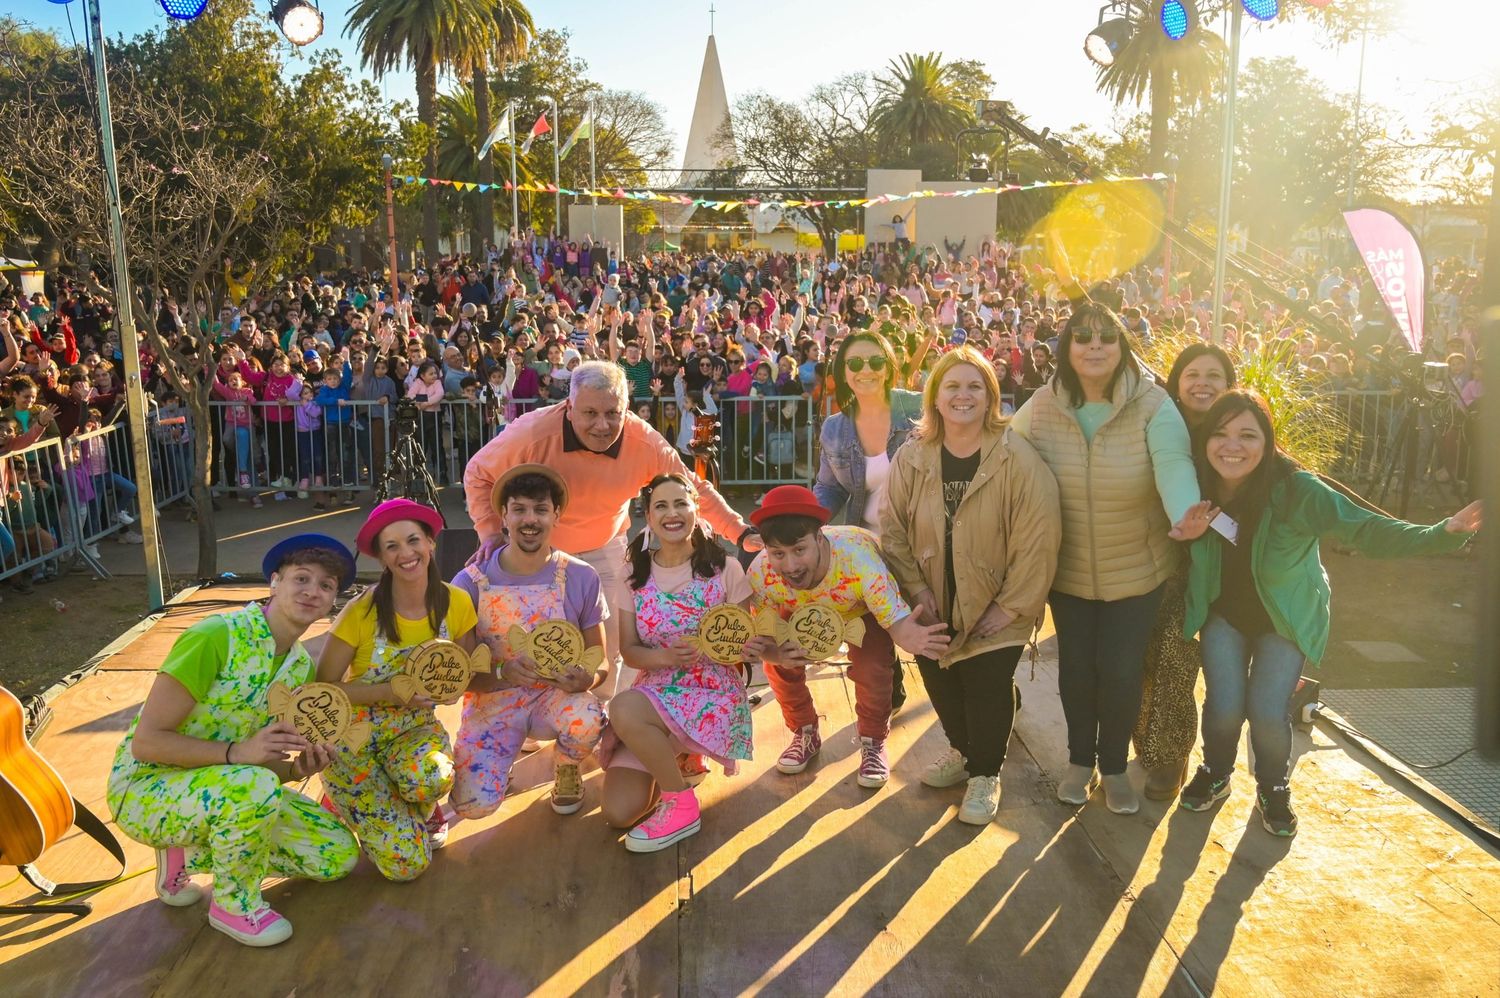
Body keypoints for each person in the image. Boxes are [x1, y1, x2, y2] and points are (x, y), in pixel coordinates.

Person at [1171, 391, 1483, 837]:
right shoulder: (1193, 482)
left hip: (1286, 618)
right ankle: (1216, 772)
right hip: (1223, 613)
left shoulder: (1298, 490)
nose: (1231, 446)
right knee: (1223, 706)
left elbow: (1364, 528)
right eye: (1220, 434)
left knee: (1266, 710)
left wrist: (1441, 533)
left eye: (1247, 435)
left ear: (1268, 441)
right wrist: (1184, 534)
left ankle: (1273, 786)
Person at [106, 534, 361, 948]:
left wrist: (297, 769)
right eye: (301, 578)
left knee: (335, 855)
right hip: (146, 788)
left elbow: (259, 762)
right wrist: (236, 753)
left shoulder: (299, 669)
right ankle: (233, 904)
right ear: (274, 582)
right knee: (254, 786)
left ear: (333, 600)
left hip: (227, 787)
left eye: (326, 585)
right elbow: (147, 743)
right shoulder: (216, 636)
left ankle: (185, 852)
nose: (313, 591)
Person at [462, 361, 761, 696]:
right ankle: (533, 722)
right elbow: (477, 473)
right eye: (590, 413)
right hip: (539, 554)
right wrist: (489, 531)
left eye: (612, 413)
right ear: (569, 407)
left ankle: (601, 720)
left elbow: (691, 489)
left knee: (609, 646)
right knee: (532, 646)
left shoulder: (644, 442)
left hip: (606, 547)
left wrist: (741, 532)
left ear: (627, 409)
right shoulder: (531, 433)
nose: (602, 425)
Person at [1010, 302, 1199, 815]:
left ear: (1122, 346)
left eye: (1106, 337)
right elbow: (1003, 456)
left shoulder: (1153, 404)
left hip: (1137, 572)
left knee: (1120, 671)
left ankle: (1114, 766)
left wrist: (1184, 514)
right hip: (1068, 574)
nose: (1095, 345)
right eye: (1083, 336)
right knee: (1076, 669)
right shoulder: (1043, 404)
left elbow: (1173, 464)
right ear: (1067, 349)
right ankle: (1079, 761)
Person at [881, 347, 1062, 824]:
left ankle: (985, 774)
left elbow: (1038, 535)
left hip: (997, 602)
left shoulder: (1016, 457)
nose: (963, 395)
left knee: (985, 685)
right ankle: (964, 751)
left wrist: (1011, 605)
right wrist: (917, 592)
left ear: (990, 397)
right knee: (944, 688)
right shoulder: (912, 456)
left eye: (975, 386)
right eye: (953, 386)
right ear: (935, 398)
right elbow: (893, 529)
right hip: (932, 600)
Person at [316, 499, 479, 880]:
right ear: (382, 558)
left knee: (432, 777)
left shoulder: (455, 601)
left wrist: (453, 687)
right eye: (392, 547)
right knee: (407, 868)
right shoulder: (361, 611)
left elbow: (466, 667)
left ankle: (417, 803)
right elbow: (323, 689)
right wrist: (389, 693)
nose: (406, 554)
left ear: (430, 543)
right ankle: (342, 797)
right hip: (354, 741)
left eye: (413, 541)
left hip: (414, 731)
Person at [747, 485, 950, 788]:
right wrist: (774, 654)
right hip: (796, 609)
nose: (790, 566)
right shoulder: (761, 572)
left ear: (820, 537)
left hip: (858, 608)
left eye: (799, 550)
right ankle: (804, 732)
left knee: (872, 668)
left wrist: (914, 637)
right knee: (779, 665)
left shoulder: (859, 559)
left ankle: (872, 741)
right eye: (778, 553)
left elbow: (897, 623)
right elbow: (763, 638)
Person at [599, 474, 757, 852]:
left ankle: (680, 802)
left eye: (681, 504)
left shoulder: (726, 570)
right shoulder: (633, 574)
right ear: (648, 518)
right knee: (617, 812)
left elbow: (741, 641)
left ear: (696, 510)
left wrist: (733, 649)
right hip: (657, 693)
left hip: (711, 694)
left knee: (622, 708)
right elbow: (631, 651)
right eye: (661, 506)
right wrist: (666, 657)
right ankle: (678, 759)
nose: (672, 513)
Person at [449, 464, 608, 819]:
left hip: (555, 698)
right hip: (493, 700)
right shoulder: (469, 582)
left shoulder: (581, 576)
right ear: (503, 515)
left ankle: (567, 765)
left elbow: (601, 662)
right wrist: (503, 672)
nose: (530, 520)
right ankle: (497, 764)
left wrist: (587, 679)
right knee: (472, 807)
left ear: (556, 515)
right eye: (519, 509)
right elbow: (461, 676)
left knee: (587, 718)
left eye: (540, 509)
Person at [1134, 343, 1238, 800]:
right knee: (1138, 659)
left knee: (1178, 661)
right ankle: (1147, 747)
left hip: (1208, 573)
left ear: (1229, 385)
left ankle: (1170, 757)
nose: (1202, 383)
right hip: (1148, 560)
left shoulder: (1242, 435)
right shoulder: (1157, 424)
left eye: (1213, 375)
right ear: (1176, 382)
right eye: (1192, 373)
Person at [814, 330, 925, 711]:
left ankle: (993, 695)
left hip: (923, 541)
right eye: (855, 363)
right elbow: (829, 489)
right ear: (843, 372)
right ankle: (888, 697)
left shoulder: (919, 408)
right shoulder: (835, 427)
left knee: (932, 628)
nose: (866, 370)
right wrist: (807, 523)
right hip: (869, 546)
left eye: (876, 362)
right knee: (876, 632)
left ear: (890, 367)